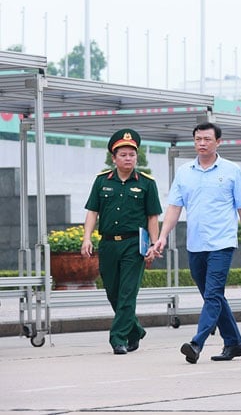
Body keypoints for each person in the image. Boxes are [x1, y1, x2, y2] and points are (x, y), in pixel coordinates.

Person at [151, 122, 241, 364]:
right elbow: (174, 208)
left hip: (222, 243)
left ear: (218, 142)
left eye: (207, 139)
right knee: (215, 296)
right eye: (198, 139)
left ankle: (196, 343)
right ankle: (234, 343)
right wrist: (162, 236)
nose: (202, 143)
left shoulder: (232, 171)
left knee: (212, 295)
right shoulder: (185, 172)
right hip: (195, 245)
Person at [81, 128, 162, 355]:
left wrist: (154, 245)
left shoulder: (146, 183)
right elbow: (92, 212)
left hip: (134, 244)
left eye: (132, 154)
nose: (128, 159)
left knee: (128, 292)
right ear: (114, 158)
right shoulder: (101, 182)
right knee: (112, 291)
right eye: (123, 155)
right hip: (107, 244)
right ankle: (134, 330)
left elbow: (152, 217)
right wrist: (86, 238)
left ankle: (118, 338)